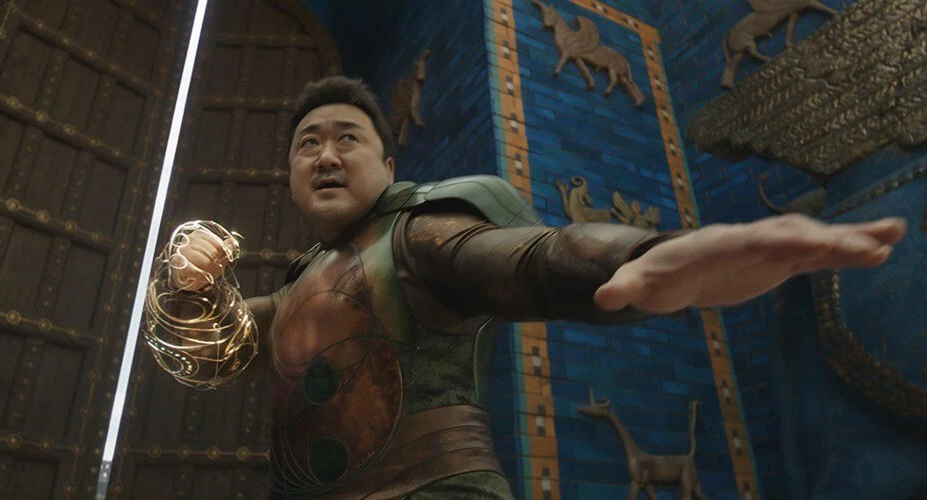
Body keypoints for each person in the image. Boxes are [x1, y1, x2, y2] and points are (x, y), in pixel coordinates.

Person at [142, 76, 906, 499]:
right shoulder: (294, 289)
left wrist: (648, 256)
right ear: (290, 174)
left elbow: (532, 256)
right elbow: (219, 348)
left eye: (349, 138)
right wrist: (191, 285)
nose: (327, 155)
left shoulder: (419, 235)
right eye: (308, 144)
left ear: (389, 165)